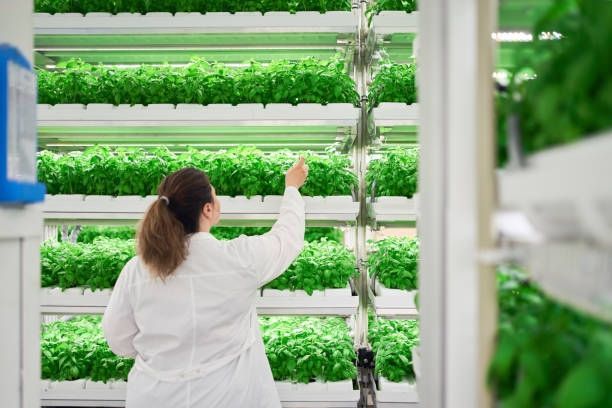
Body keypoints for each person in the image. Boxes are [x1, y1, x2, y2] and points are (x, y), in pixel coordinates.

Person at [102, 157, 309, 408]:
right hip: (229, 398)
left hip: (155, 397)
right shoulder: (238, 259)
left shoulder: (137, 270)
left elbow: (118, 340)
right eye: (214, 193)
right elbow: (287, 238)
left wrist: (166, 354)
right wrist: (291, 189)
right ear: (207, 209)